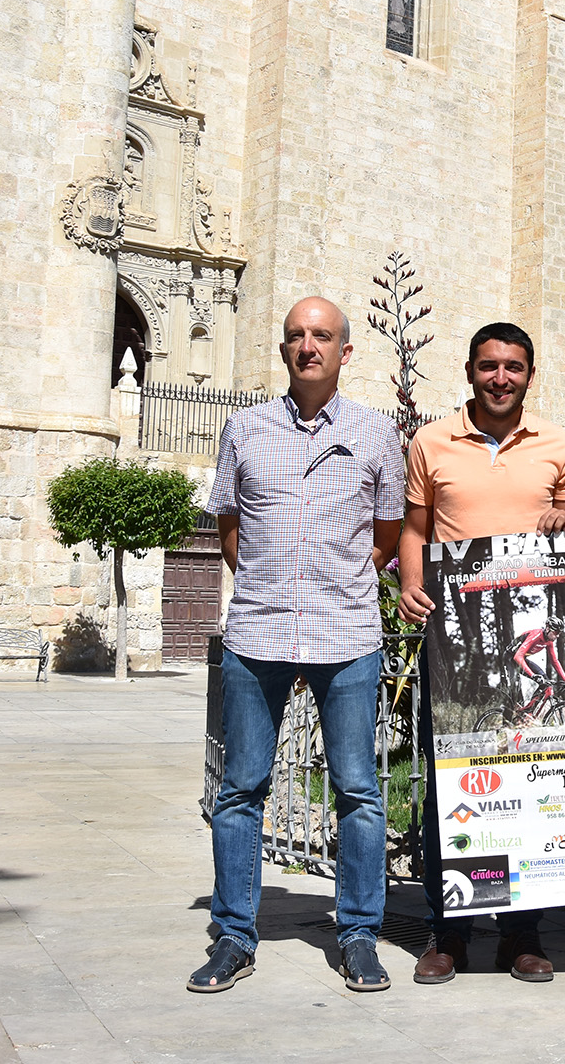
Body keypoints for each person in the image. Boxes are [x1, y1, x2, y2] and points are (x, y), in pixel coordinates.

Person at [190, 296, 406, 993]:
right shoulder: (245, 428)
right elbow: (229, 525)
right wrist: (269, 579)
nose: (308, 345)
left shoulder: (378, 433)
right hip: (259, 631)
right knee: (241, 787)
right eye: (296, 336)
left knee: (359, 790)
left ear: (346, 351)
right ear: (283, 350)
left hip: (346, 633)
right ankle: (233, 934)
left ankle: (359, 934)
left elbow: (386, 533)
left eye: (322, 335)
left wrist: (335, 582)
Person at [397, 321, 565, 984]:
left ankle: (521, 936)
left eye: (513, 366)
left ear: (530, 374)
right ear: (470, 370)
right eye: (488, 366)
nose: (500, 377)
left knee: (526, 786)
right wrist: (411, 585)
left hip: (532, 646)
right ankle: (446, 934)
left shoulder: (558, 445)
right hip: (455, 646)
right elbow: (414, 529)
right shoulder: (431, 441)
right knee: (452, 788)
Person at [512, 618, 565, 709]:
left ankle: (528, 712)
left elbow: (554, 661)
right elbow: (517, 656)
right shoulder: (536, 635)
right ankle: (507, 721)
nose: (558, 636)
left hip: (522, 660)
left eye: (559, 633)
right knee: (512, 692)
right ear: (547, 629)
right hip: (510, 659)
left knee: (545, 683)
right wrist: (532, 675)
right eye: (556, 633)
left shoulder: (549, 642)